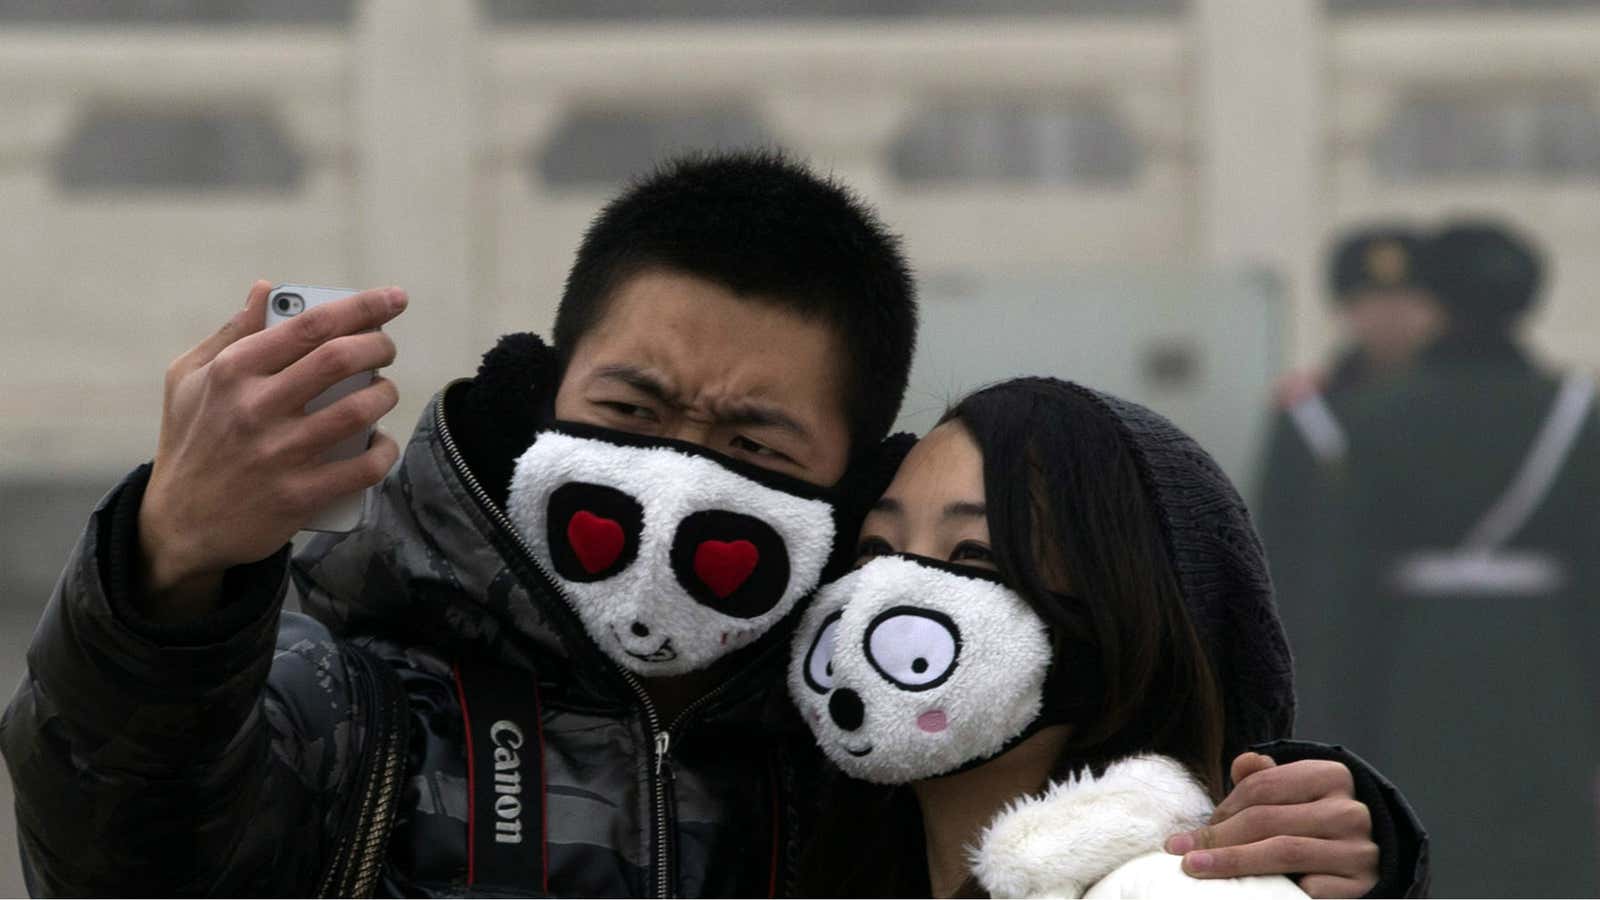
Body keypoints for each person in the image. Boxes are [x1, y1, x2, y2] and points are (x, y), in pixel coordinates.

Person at [2, 151, 1421, 897]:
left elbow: (1097, 766)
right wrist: (172, 566)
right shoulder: (358, 683)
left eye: (748, 443)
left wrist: (1340, 843)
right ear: (548, 395)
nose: (673, 478)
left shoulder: (867, 739)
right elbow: (117, 842)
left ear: (840, 486)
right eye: (629, 412)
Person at [789, 378, 1413, 899]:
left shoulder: (1176, 886)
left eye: (973, 555)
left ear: (1123, 614)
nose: (882, 595)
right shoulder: (807, 847)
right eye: (875, 549)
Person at [1313, 220, 1600, 898]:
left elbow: (1343, 592)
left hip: (1417, 669)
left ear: (1434, 300)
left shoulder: (1368, 414)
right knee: (1544, 852)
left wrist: (1335, 727)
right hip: (1548, 669)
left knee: (1432, 843)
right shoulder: (1573, 411)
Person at [1253, 226, 1443, 740]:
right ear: (1344, 310)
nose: (1391, 318)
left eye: (1409, 300)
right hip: (1338, 644)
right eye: (1369, 301)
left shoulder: (1462, 413)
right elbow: (1280, 539)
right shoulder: (1309, 413)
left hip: (1439, 640)